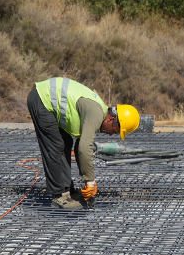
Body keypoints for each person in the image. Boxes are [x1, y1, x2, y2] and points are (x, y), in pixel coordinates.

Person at [27, 77, 140, 209]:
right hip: (41, 99)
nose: (110, 134)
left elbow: (80, 147)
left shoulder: (97, 112)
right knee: (56, 146)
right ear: (111, 119)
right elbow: (84, 148)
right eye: (114, 131)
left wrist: (87, 182)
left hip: (45, 101)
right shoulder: (95, 114)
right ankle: (59, 195)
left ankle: (68, 190)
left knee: (66, 142)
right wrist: (90, 181)